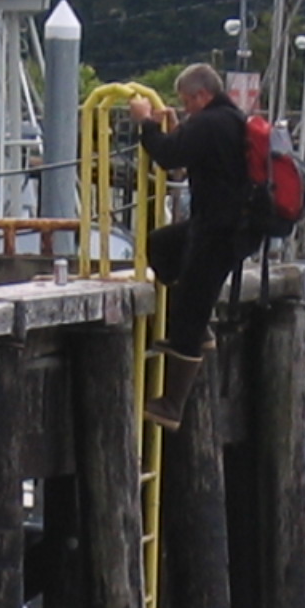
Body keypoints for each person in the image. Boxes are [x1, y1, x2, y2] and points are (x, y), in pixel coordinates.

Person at [128, 63, 260, 428]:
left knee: (187, 317)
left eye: (188, 101)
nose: (186, 107)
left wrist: (146, 123)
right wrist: (176, 128)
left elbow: (170, 157)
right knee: (162, 245)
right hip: (223, 226)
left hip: (222, 231)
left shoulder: (210, 122)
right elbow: (187, 155)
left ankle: (172, 406)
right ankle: (198, 329)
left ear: (202, 95)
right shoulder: (229, 119)